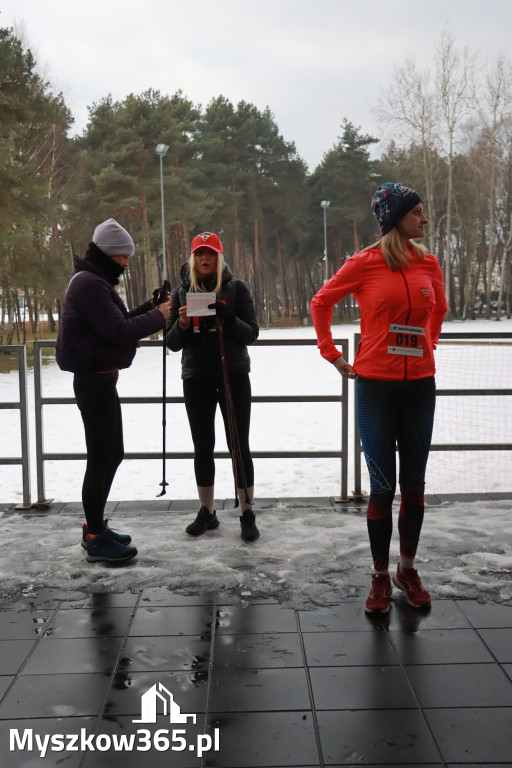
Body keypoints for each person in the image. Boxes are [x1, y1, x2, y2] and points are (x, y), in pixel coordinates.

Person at [310, 182, 448, 614]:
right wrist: (332, 354)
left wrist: (430, 344)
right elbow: (320, 303)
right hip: (375, 389)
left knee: (415, 486)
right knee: (381, 488)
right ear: (396, 219)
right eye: (418, 213)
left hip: (420, 387)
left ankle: (407, 568)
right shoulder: (364, 264)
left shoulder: (429, 263)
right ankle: (379, 577)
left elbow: (439, 309)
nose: (425, 220)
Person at [56, 218, 172, 563]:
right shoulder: (90, 284)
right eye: (123, 256)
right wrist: (161, 316)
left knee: (113, 453)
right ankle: (94, 535)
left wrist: (151, 308)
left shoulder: (94, 280)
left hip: (101, 378)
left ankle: (95, 526)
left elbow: (115, 324)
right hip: (93, 380)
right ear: (108, 253)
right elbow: (119, 331)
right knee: (101, 457)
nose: (126, 262)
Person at [166, 231, 260, 541]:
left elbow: (252, 333)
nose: (205, 258)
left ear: (219, 257)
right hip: (196, 377)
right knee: (202, 445)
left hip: (232, 375)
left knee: (238, 444)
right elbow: (171, 344)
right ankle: (207, 511)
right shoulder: (181, 292)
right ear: (193, 258)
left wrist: (227, 318)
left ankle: (247, 511)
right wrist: (180, 324)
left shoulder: (237, 289)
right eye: (199, 254)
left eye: (211, 253)